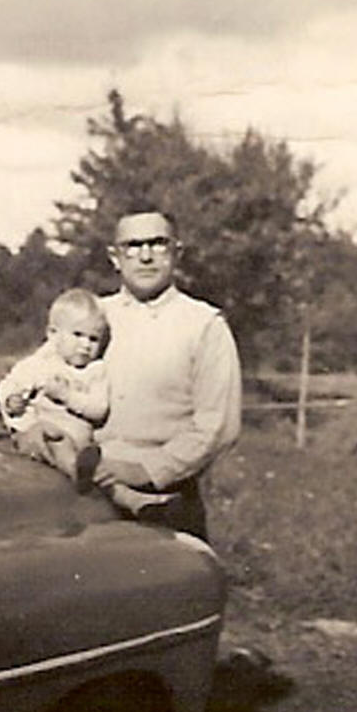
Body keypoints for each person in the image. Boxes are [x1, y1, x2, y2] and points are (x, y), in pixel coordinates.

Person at [94, 205, 242, 540]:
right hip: (85, 495)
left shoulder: (204, 324)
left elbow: (218, 427)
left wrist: (146, 470)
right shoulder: (92, 315)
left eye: (158, 243)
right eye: (132, 245)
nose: (145, 256)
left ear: (177, 253)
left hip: (165, 501)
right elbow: (41, 378)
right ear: (115, 257)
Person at [0, 287, 109, 492]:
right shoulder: (41, 364)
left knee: (95, 457)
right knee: (48, 434)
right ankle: (76, 471)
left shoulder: (96, 371)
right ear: (53, 334)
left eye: (94, 339)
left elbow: (99, 408)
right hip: (43, 437)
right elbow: (10, 384)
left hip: (80, 441)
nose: (85, 345)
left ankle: (87, 469)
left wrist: (66, 396)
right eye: (78, 335)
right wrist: (12, 400)